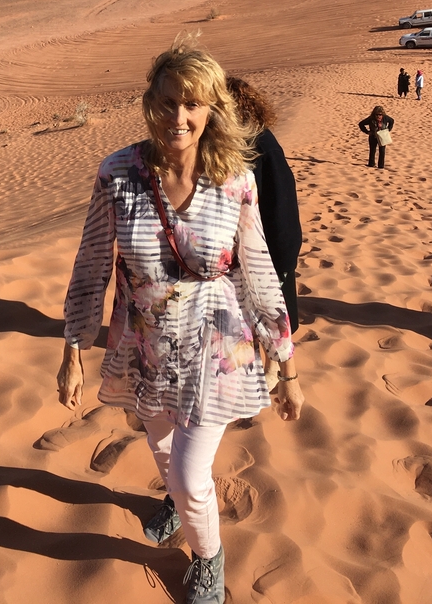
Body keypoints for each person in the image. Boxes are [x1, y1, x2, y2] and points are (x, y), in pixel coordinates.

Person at [57, 41, 303, 604]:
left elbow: (259, 272)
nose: (179, 117)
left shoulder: (236, 178)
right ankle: (188, 515)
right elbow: (92, 263)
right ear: (151, 103)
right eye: (168, 103)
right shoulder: (117, 174)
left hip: (217, 344)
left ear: (212, 108)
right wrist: (72, 350)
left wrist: (287, 365)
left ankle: (208, 560)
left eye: (193, 104)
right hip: (145, 348)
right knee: (167, 457)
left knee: (191, 477)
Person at [226, 77, 302, 337]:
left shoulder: (262, 147)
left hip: (267, 258)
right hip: (236, 260)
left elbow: (282, 209)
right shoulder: (226, 145)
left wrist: (283, 263)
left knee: (271, 329)